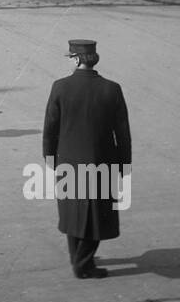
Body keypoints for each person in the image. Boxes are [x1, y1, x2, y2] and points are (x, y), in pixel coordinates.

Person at [41, 39, 133, 280]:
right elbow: (122, 132)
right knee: (98, 215)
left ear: (77, 59)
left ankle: (79, 259)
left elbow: (50, 127)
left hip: (68, 162)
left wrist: (49, 156)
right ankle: (83, 263)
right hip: (103, 161)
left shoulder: (60, 87)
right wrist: (124, 164)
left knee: (73, 212)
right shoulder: (111, 89)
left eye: (71, 57)